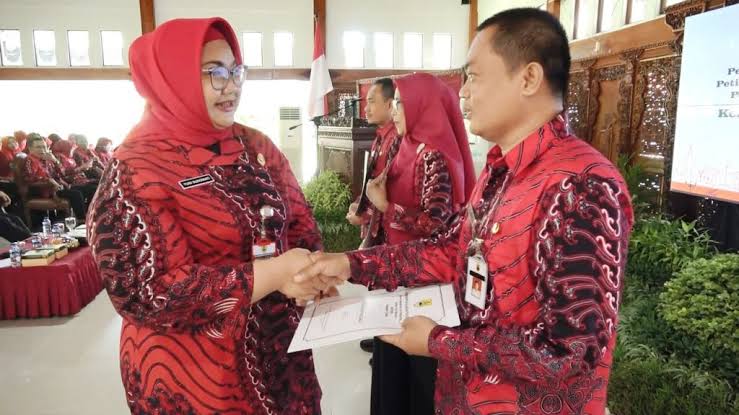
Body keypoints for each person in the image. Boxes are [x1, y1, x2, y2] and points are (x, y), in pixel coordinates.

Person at [296, 8, 633, 415]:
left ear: (528, 78)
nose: (463, 93)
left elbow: (568, 351)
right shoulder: (502, 170)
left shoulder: (580, 185)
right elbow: (447, 250)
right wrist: (349, 264)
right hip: (465, 396)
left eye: (473, 76)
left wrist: (438, 341)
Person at [86, 17, 324, 414]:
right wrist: (273, 274)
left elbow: (299, 219)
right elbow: (145, 292)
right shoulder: (136, 168)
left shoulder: (254, 145)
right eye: (214, 72)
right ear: (173, 79)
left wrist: (309, 273)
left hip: (278, 354)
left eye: (235, 70)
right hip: (195, 375)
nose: (231, 86)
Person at [361, 73, 477, 415]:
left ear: (422, 106)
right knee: (391, 363)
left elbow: (437, 225)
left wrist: (387, 207)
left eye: (400, 103)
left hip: (424, 279)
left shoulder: (434, 156)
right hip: (395, 274)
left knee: (418, 371)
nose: (394, 111)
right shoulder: (403, 146)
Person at [23, 134, 89, 220]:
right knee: (76, 194)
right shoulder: (29, 160)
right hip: (44, 190)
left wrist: (55, 161)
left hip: (58, 187)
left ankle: (68, 218)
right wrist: (50, 180)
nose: (42, 150)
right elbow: (30, 178)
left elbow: (62, 174)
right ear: (30, 149)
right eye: (38, 147)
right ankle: (81, 220)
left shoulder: (47, 159)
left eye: (44, 147)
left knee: (84, 189)